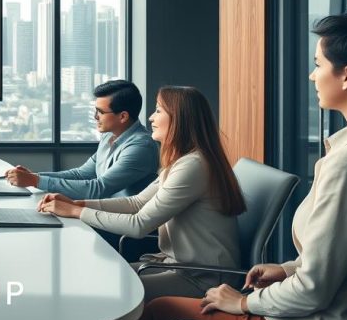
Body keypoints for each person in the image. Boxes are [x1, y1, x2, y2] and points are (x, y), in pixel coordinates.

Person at [116, 8, 347, 320]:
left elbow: (314, 289)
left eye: (318, 64)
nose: (311, 76)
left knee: (157, 310)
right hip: (327, 317)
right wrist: (288, 268)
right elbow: (344, 255)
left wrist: (242, 303)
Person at [40, 86, 246, 302]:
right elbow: (136, 202)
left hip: (202, 278)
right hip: (176, 266)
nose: (150, 117)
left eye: (158, 111)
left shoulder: (193, 166)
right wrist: (78, 203)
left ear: (179, 119)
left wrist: (75, 211)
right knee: (94, 277)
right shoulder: (183, 161)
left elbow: (139, 224)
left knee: (101, 286)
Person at [6, 80, 158, 200]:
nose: (95, 117)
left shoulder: (140, 146)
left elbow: (98, 189)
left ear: (123, 116)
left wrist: (35, 180)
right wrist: (35, 177)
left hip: (122, 229)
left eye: (101, 112)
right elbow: (81, 174)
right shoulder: (108, 136)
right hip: (102, 215)